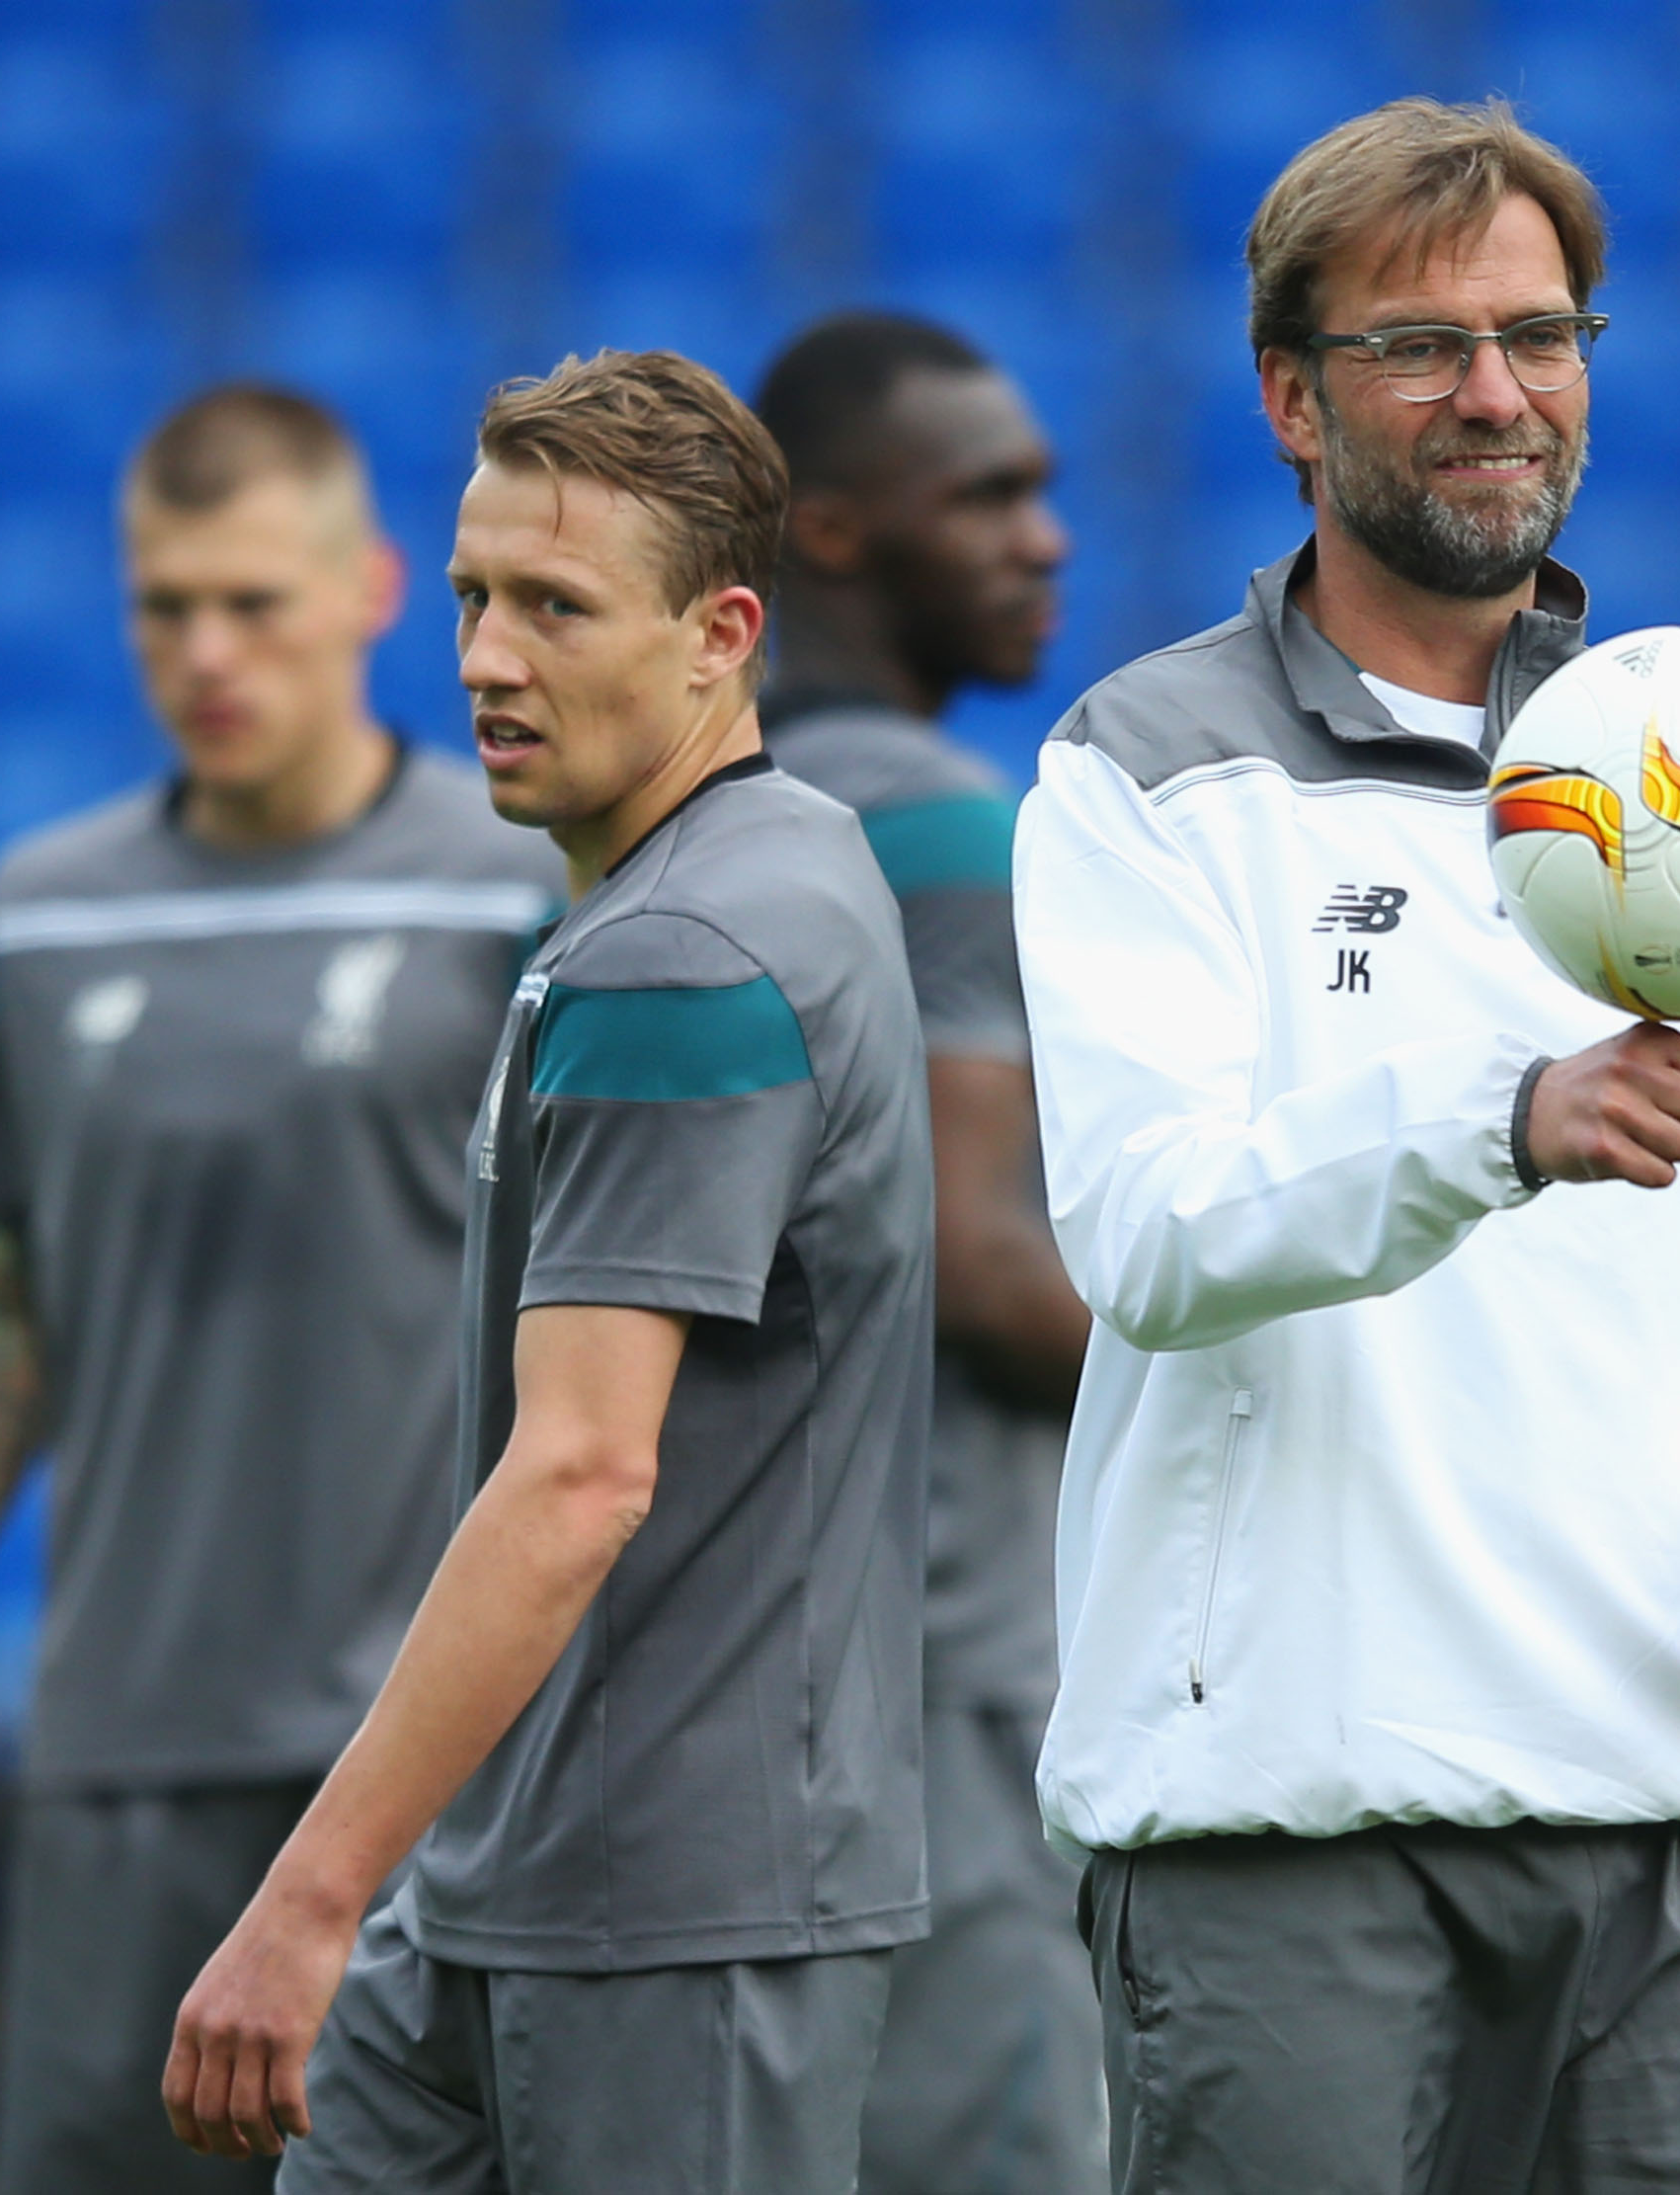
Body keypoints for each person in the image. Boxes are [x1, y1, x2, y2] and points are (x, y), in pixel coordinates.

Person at [1014, 100, 1680, 2194]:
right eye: (1421, 345)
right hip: (1292, 1816)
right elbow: (1151, 1230)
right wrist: (1500, 1122)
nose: (1496, 393)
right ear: (1290, 396)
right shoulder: (1146, 771)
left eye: (1542, 337)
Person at [161, 351, 934, 2193]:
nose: (485, 658)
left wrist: (303, 1899)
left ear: (719, 634)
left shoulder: (685, 950)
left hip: (677, 1903)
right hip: (511, 1871)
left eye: (555, 607)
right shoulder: (757, 866)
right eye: (472, 597)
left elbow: (585, 1471)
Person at [0, 387, 562, 2195]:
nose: (207, 651)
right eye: (165, 606)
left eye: (252, 599)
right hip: (119, 1761)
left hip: (416, 1763)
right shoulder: (45, 907)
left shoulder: (515, 899)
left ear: (375, 588)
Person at [749, 311, 1103, 2194]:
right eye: (988, 497)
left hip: (746, 1672)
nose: (1044, 537)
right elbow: (979, 1255)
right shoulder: (944, 827)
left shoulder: (679, 824)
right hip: (956, 1671)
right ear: (824, 528)